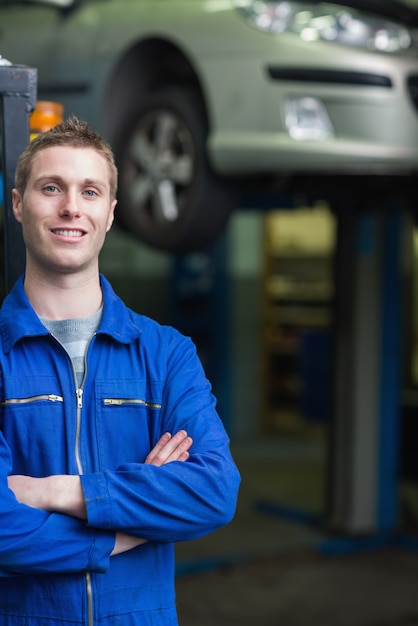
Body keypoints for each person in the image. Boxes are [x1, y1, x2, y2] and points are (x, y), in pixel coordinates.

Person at [0, 115, 240, 625]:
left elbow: (214, 491)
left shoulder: (166, 353)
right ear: (18, 204)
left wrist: (57, 491)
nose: (71, 207)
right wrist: (130, 527)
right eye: (51, 188)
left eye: (90, 192)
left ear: (109, 213)